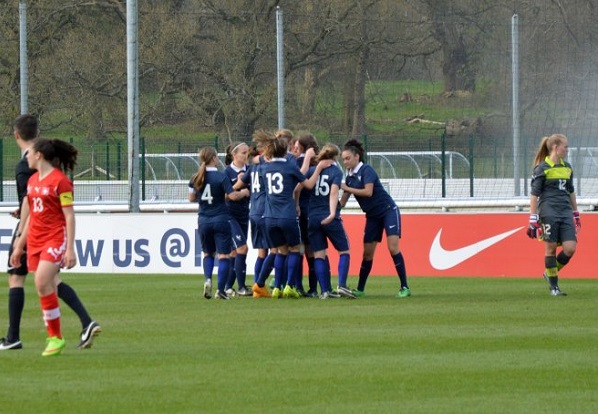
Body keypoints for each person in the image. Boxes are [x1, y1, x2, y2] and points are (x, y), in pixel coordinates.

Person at [1, 116, 100, 353]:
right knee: (48, 283)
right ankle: (70, 330)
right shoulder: (34, 181)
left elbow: (69, 215)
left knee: (41, 280)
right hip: (33, 238)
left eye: (32, 153)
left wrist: (70, 248)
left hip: (54, 239)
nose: (29, 156)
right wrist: (19, 244)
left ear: (39, 155)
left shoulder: (61, 182)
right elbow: (32, 213)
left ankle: (35, 337)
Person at [340, 138, 410, 298]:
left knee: (393, 248)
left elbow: (368, 192)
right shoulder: (349, 177)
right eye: (343, 159)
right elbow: (342, 203)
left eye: (347, 158)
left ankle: (404, 287)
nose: (345, 162)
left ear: (357, 157)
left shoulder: (366, 170)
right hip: (372, 217)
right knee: (367, 254)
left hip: (388, 211)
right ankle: (360, 289)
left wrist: (346, 187)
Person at [188, 147, 249, 300]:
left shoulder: (195, 178)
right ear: (214, 158)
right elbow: (233, 196)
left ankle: (208, 279)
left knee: (208, 253)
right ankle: (221, 290)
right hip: (221, 219)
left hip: (203, 220)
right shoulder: (221, 177)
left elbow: (191, 198)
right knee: (224, 255)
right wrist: (243, 192)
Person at [252, 135, 306, 299]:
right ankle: (289, 285)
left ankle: (276, 288)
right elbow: (307, 183)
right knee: (295, 249)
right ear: (286, 151)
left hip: (269, 217)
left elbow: (256, 162)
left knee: (279, 251)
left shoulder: (263, 168)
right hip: (286, 216)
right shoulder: (290, 167)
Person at [527, 134, 580, 296]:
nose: (567, 149)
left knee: (570, 248)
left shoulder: (567, 167)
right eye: (565, 146)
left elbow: (570, 191)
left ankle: (549, 272)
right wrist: (533, 217)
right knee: (550, 248)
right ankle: (554, 288)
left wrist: (576, 213)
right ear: (556, 148)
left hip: (565, 212)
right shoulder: (542, 169)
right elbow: (534, 195)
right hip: (548, 211)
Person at [304, 143, 355, 299]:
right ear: (335, 157)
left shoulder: (312, 170)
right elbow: (333, 194)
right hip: (328, 217)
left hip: (312, 217)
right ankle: (341, 285)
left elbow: (304, 186)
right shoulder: (336, 172)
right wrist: (332, 213)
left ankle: (325, 290)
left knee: (318, 254)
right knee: (344, 251)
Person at [223, 142, 252, 297]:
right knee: (242, 248)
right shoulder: (227, 173)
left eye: (247, 152)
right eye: (243, 152)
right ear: (234, 155)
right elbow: (225, 195)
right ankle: (241, 287)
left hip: (244, 214)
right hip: (230, 215)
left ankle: (228, 287)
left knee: (235, 252)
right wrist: (240, 188)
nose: (246, 155)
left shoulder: (250, 170)